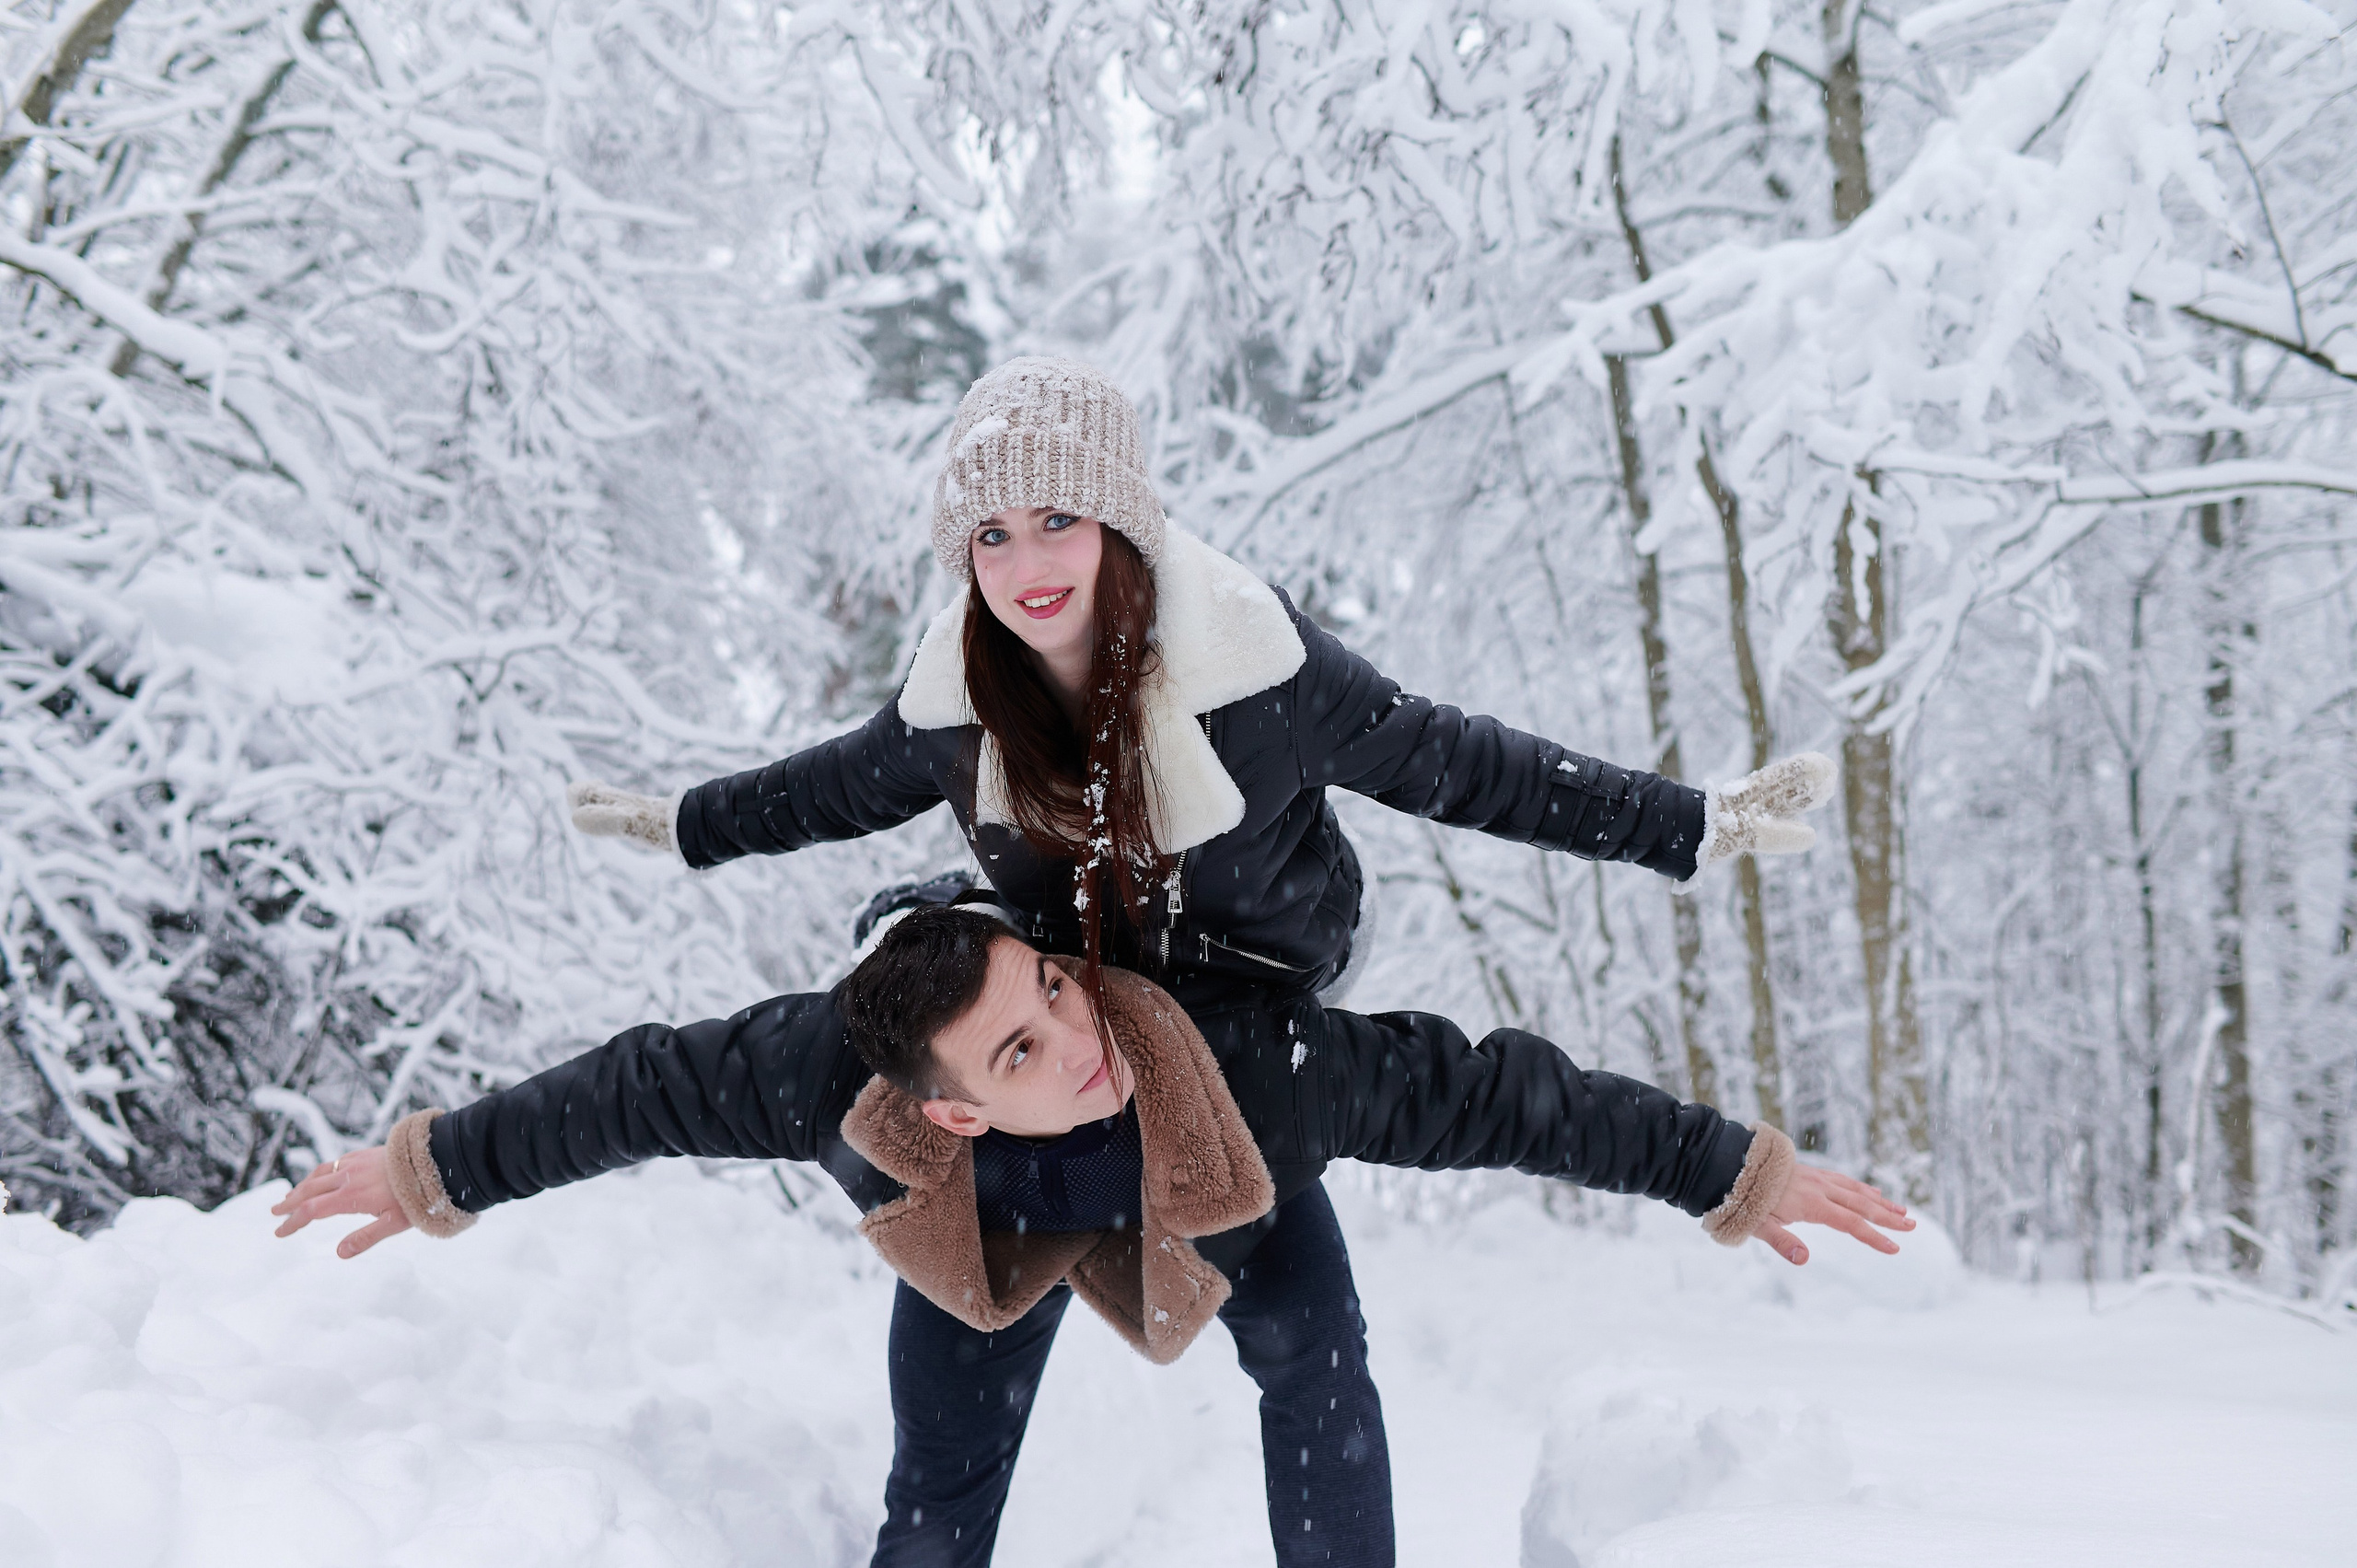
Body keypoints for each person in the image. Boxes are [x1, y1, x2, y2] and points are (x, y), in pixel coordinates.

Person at [271, 354, 1879, 1565]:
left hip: (1222, 1019)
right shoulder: (905, 970)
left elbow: (1476, 911)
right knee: (946, 1460)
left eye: (1060, 517)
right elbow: (669, 1051)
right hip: (1022, 1027)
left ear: (1122, 520)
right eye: (990, 530)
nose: (1028, 557)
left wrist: (1690, 840)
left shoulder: (1259, 683)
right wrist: (456, 1144)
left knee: (1316, 1357)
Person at [270, 905, 1910, 1567]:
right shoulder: (826, 1079)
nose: (1077, 1036)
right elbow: (627, 1092)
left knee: (1318, 1379)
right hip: (995, 1240)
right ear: (949, 1105)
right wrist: (435, 1171)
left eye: (1051, 987)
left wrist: (1730, 1170)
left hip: (1216, 1196)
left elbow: (1503, 1095)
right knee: (940, 1484)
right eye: (1021, 1049)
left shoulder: (1240, 1067)